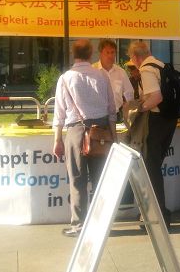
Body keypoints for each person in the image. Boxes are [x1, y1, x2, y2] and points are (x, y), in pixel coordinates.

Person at [53, 39, 117, 237]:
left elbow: (59, 113)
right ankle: (101, 223)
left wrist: (57, 139)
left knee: (77, 180)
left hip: (76, 132)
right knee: (100, 179)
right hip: (101, 132)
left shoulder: (65, 78)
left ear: (74, 54)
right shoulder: (102, 76)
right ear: (91, 54)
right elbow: (112, 109)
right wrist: (114, 136)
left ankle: (79, 224)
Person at [127, 40, 177, 228]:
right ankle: (158, 213)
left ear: (136, 57)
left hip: (155, 122)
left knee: (151, 169)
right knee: (154, 167)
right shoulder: (161, 64)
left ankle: (158, 215)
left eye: (132, 60)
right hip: (168, 121)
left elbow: (156, 97)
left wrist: (140, 109)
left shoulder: (147, 69)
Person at [92, 39, 134, 122]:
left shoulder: (121, 72)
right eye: (107, 52)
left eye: (112, 52)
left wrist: (128, 111)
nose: (110, 55)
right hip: (96, 116)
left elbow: (129, 94)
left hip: (117, 115)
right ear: (100, 54)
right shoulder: (92, 71)